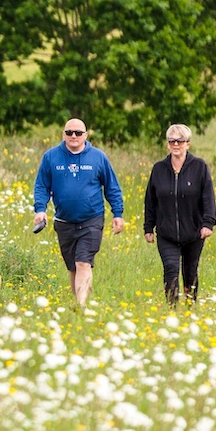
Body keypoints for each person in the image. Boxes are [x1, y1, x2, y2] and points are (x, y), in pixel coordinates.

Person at [33, 118, 125, 306]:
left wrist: (117, 213)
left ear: (86, 135)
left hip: (91, 219)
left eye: (78, 133)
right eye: (69, 133)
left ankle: (81, 306)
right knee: (73, 267)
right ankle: (78, 302)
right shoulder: (51, 157)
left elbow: (112, 187)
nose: (73, 136)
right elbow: (41, 186)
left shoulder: (98, 157)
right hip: (64, 221)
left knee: (83, 262)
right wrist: (40, 210)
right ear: (63, 135)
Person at [142, 124, 216, 307]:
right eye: (172, 141)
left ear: (188, 144)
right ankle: (172, 309)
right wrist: (148, 227)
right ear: (167, 144)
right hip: (166, 232)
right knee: (171, 269)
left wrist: (208, 224)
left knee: (190, 272)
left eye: (180, 141)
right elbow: (150, 200)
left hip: (194, 232)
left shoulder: (199, 167)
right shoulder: (159, 169)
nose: (176, 144)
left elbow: (208, 197)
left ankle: (190, 307)